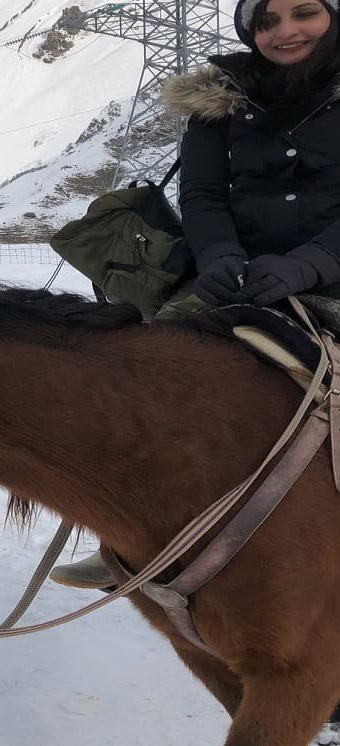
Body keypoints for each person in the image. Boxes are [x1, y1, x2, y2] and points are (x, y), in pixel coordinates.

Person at [51, 0, 340, 588]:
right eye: (266, 21)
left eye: (303, 13)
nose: (284, 31)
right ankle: (130, 531)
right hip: (239, 272)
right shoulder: (218, 101)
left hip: (328, 269)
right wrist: (217, 259)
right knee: (145, 378)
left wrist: (308, 266)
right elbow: (203, 194)